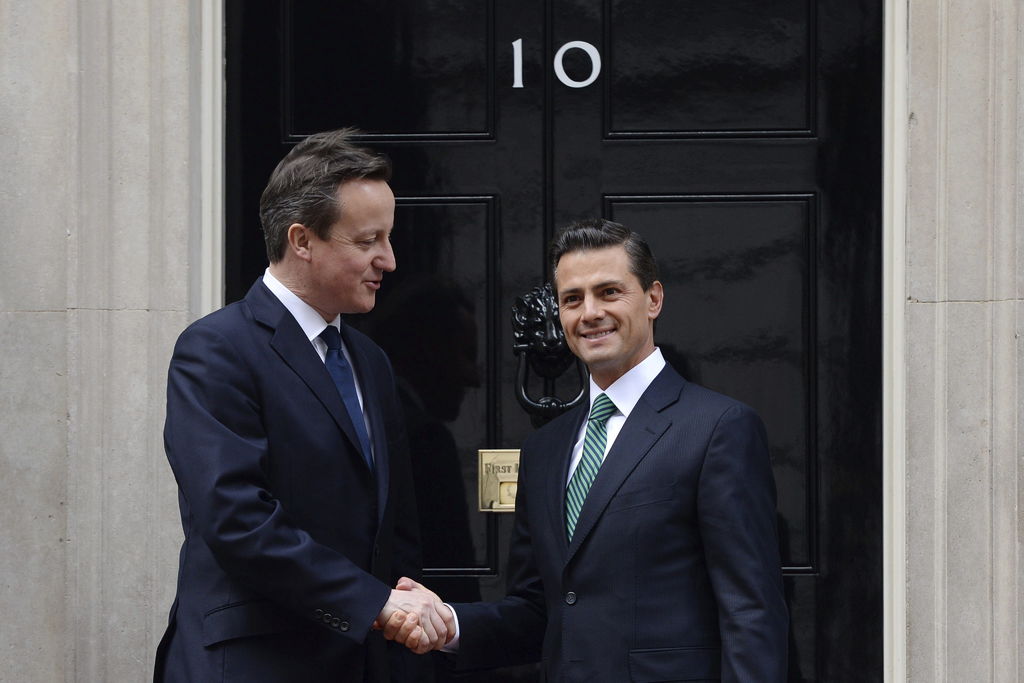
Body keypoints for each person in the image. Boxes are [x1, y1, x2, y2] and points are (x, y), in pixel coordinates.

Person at [386, 218, 789, 681]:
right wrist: (448, 623)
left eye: (609, 292)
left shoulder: (718, 428)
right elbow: (540, 611)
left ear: (653, 298)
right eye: (572, 299)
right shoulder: (545, 449)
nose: (590, 312)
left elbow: (750, 611)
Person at [154, 129, 452, 683]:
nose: (388, 260)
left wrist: (406, 627)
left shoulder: (370, 362)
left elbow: (396, 530)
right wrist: (373, 603)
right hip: (255, 664)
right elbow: (237, 519)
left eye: (388, 238)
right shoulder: (217, 349)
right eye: (368, 240)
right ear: (302, 240)